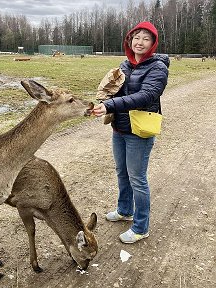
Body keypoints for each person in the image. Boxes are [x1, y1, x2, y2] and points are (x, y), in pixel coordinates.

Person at [93, 21, 169, 244]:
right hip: (120, 127)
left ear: (153, 44)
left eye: (146, 38)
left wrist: (110, 106)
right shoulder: (125, 65)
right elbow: (117, 91)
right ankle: (125, 210)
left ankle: (141, 227)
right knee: (122, 173)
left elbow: (146, 96)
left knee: (137, 179)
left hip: (140, 131)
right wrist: (105, 96)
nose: (140, 42)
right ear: (129, 40)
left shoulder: (158, 68)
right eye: (136, 37)